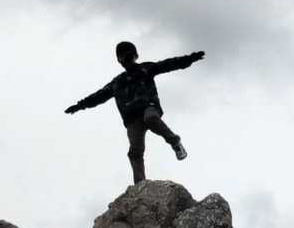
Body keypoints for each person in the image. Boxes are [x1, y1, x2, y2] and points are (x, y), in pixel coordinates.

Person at [64, 41, 206, 184]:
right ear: (119, 61)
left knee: (151, 118)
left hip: (148, 106)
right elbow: (98, 97)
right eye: (124, 58)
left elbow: (168, 64)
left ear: (135, 56)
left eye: (129, 57)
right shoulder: (117, 82)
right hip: (132, 118)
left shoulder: (145, 68)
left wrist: (189, 59)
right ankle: (140, 184)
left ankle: (175, 142)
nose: (127, 61)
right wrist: (79, 106)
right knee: (135, 151)